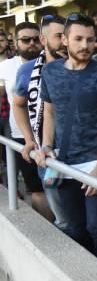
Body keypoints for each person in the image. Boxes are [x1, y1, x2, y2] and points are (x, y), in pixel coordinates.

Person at [36, 14, 97, 269]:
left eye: (90, 39)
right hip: (62, 163)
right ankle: (88, 275)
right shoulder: (50, 71)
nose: (85, 45)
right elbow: (49, 111)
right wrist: (46, 145)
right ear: (65, 39)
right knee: (74, 228)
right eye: (78, 39)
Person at [12, 17, 65, 222]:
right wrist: (29, 139)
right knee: (61, 216)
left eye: (66, 36)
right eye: (59, 36)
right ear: (45, 39)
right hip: (47, 153)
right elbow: (18, 104)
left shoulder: (81, 66)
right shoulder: (28, 71)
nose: (64, 41)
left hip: (83, 154)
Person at [1, 22, 51, 220]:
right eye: (25, 39)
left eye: (35, 39)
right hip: (23, 137)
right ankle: (51, 233)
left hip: (52, 137)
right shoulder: (5, 67)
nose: (31, 43)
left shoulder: (54, 64)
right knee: (37, 189)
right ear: (16, 42)